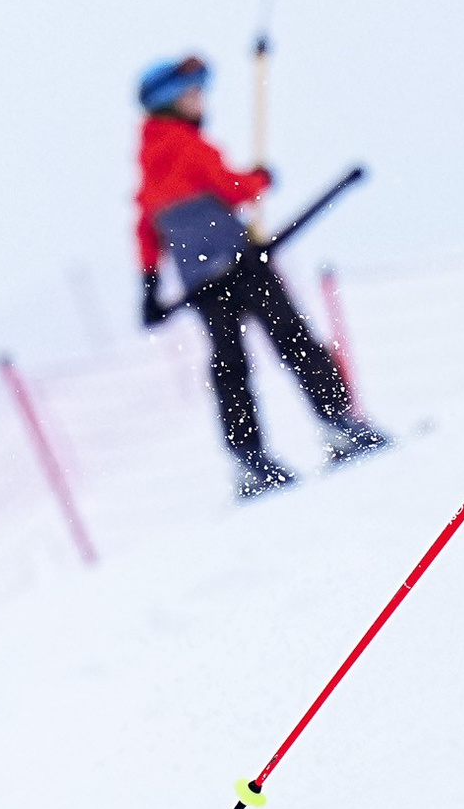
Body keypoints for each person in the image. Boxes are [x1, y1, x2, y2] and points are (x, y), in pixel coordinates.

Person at [135, 54, 387, 497]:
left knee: (230, 367)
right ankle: (339, 425)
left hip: (203, 285)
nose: (201, 101)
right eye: (194, 94)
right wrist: (260, 178)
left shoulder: (149, 163)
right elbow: (230, 187)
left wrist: (151, 286)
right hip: (243, 266)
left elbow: (146, 229)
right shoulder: (189, 146)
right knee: (295, 342)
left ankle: (249, 461)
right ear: (171, 102)